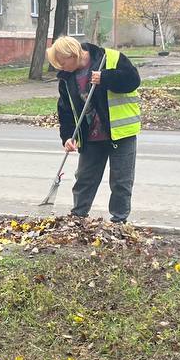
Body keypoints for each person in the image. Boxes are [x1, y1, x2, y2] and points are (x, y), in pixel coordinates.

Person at [47, 35, 142, 223]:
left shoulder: (110, 59)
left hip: (120, 132)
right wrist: (67, 136)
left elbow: (133, 80)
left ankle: (119, 221)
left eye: (62, 62)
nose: (60, 67)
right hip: (91, 136)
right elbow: (65, 110)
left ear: (72, 54)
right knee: (84, 178)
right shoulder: (66, 79)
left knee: (121, 181)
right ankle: (78, 217)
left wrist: (106, 78)